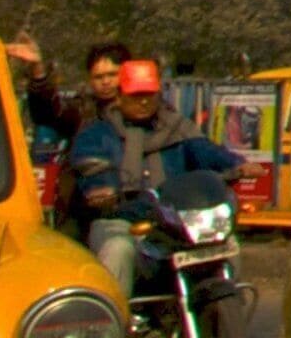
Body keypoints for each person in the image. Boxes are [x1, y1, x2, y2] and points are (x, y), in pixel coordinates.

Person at [65, 60, 238, 290]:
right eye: (136, 95)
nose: (144, 101)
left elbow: (206, 151)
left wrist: (237, 165)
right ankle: (114, 320)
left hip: (176, 224)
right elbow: (90, 165)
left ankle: (222, 310)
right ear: (119, 96)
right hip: (121, 222)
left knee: (229, 244)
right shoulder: (98, 133)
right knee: (118, 249)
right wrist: (101, 188)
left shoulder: (178, 128)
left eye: (149, 94)